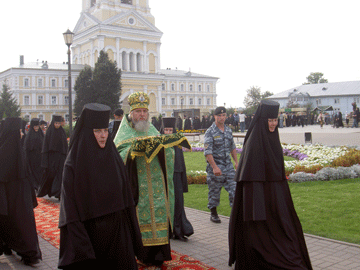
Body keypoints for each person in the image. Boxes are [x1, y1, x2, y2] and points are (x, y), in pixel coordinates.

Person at [228, 100, 313, 270]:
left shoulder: (272, 136)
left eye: (275, 120)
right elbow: (251, 178)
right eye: (270, 121)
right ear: (262, 121)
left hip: (276, 196)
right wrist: (258, 207)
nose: (273, 124)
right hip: (258, 202)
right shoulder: (254, 142)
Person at [58, 103, 143, 269]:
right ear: (87, 133)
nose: (103, 135)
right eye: (97, 131)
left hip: (118, 234)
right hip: (92, 236)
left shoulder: (114, 158)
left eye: (105, 130)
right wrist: (81, 244)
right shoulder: (73, 164)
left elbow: (126, 197)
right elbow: (69, 209)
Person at [114, 92, 190, 266]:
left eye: (144, 111)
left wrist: (165, 147)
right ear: (131, 113)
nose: (142, 115)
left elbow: (167, 151)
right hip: (138, 188)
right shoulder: (124, 133)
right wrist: (133, 152)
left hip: (157, 188)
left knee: (160, 216)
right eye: (138, 111)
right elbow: (118, 155)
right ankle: (142, 253)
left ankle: (160, 254)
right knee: (141, 219)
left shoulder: (152, 129)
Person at [0, 117, 42, 266]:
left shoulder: (19, 150)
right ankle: (28, 254)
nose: (22, 134)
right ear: (12, 133)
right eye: (19, 131)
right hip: (12, 204)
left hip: (21, 202)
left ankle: (28, 253)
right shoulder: (4, 156)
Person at [161, 117, 194, 242]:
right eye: (166, 130)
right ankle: (168, 230)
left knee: (178, 203)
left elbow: (181, 163)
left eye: (170, 130)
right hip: (164, 176)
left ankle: (179, 230)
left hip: (176, 175)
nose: (168, 133)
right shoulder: (160, 142)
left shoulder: (177, 142)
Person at [204, 106, 238, 223]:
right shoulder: (210, 132)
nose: (222, 118)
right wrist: (214, 167)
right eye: (219, 115)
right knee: (214, 191)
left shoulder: (228, 130)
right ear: (215, 116)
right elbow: (208, 152)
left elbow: (232, 147)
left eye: (223, 115)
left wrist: (236, 162)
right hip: (216, 166)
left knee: (235, 189)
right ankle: (213, 214)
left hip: (228, 166)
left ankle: (235, 214)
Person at [37, 115, 68, 199]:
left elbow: (65, 145)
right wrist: (45, 160)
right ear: (53, 123)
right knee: (51, 175)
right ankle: (52, 191)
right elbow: (46, 147)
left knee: (60, 175)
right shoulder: (50, 132)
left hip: (61, 157)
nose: (57, 125)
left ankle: (59, 193)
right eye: (56, 123)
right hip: (52, 158)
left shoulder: (62, 131)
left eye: (58, 123)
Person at [24, 118, 44, 191]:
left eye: (37, 126)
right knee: (33, 172)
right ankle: (35, 186)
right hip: (32, 158)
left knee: (40, 172)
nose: (36, 128)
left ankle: (39, 186)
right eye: (35, 127)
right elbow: (27, 148)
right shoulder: (29, 135)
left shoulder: (41, 134)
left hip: (40, 157)